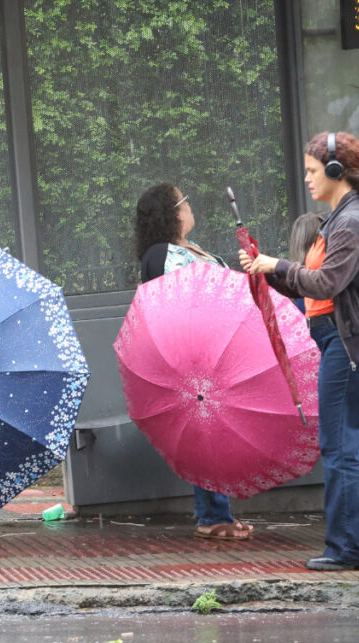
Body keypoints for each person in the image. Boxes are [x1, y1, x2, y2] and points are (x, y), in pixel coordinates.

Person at [241, 131, 359, 571]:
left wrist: (278, 265)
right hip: (337, 342)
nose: (306, 178)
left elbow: (326, 284)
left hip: (348, 346)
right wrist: (269, 271)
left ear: (337, 172)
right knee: (345, 445)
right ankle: (350, 545)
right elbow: (312, 289)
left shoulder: (352, 223)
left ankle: (351, 548)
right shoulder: (337, 219)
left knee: (339, 446)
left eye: (312, 170)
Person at [134, 183, 253, 541]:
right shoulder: (161, 255)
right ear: (173, 212)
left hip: (218, 352)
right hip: (194, 356)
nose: (190, 205)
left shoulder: (187, 249)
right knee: (206, 433)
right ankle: (212, 516)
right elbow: (178, 304)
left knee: (215, 433)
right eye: (184, 200)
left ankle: (219, 512)